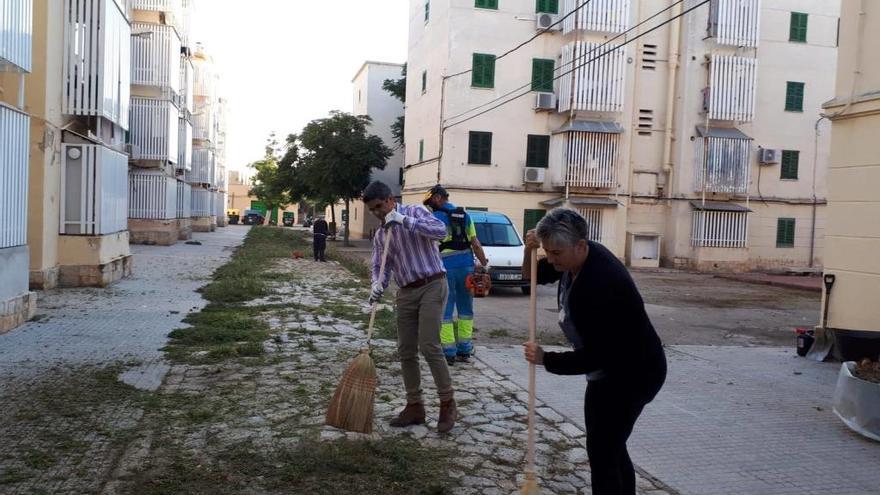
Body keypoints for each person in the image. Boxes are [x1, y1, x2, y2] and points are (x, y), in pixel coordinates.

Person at [521, 208, 666, 495]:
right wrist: (530, 251)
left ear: (581, 245)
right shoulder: (571, 259)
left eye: (556, 253)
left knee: (603, 449)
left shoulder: (602, 283)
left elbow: (599, 354)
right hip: (607, 371)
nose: (550, 259)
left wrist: (546, 359)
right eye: (547, 251)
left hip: (633, 372)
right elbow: (532, 276)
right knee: (608, 445)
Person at [363, 180, 457, 433]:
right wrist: (377, 285)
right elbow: (380, 265)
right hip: (406, 291)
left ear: (391, 200)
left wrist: (405, 222)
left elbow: (440, 231)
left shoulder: (415, 212)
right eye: (373, 209)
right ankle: (415, 405)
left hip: (432, 283)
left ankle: (447, 402)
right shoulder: (382, 234)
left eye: (380, 206)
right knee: (405, 349)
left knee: (429, 345)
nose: (377, 213)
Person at [423, 185, 489, 365]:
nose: (430, 206)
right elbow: (475, 243)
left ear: (437, 198)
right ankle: (465, 349)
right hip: (467, 269)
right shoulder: (466, 216)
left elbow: (428, 246)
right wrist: (484, 264)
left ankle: (448, 351)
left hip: (444, 271)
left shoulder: (434, 218)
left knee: (445, 310)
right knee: (466, 310)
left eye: (430, 202)